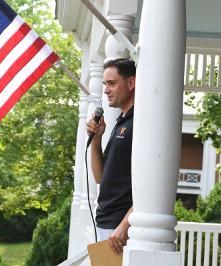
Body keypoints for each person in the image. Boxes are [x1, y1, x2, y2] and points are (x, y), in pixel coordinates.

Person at [86, 58, 136, 254]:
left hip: (120, 228)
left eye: (112, 83)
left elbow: (151, 184)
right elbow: (100, 177)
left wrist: (124, 225)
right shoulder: (121, 122)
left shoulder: (139, 122)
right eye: (105, 84)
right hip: (105, 222)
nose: (106, 89)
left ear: (131, 83)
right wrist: (96, 140)